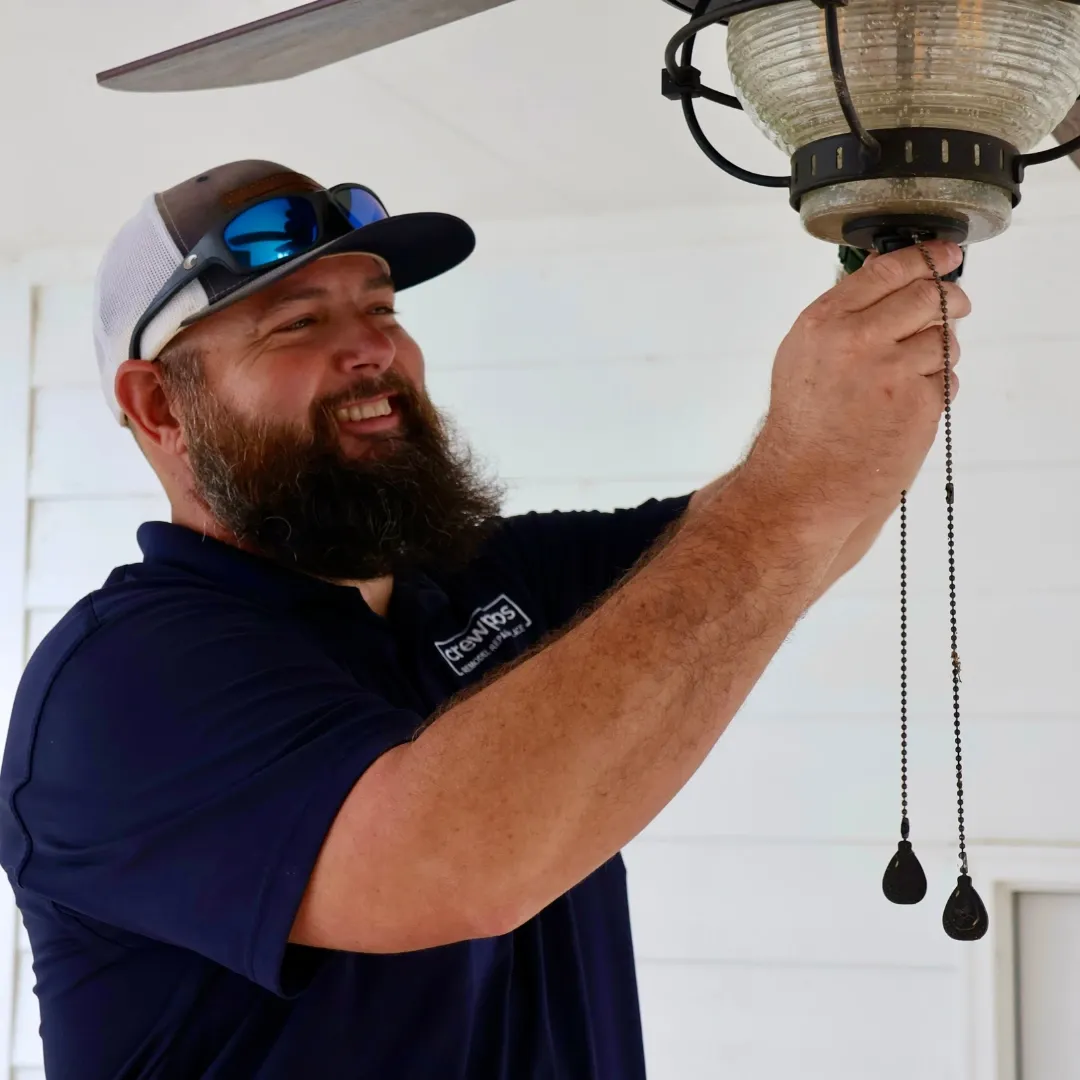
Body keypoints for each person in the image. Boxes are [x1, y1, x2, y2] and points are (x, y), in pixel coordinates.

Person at [0, 160, 969, 1080]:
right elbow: (461, 867)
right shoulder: (121, 683)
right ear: (159, 404)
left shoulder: (486, 578)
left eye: (381, 309)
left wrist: (899, 242)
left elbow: (799, 538)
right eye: (298, 322)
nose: (374, 348)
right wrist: (786, 494)